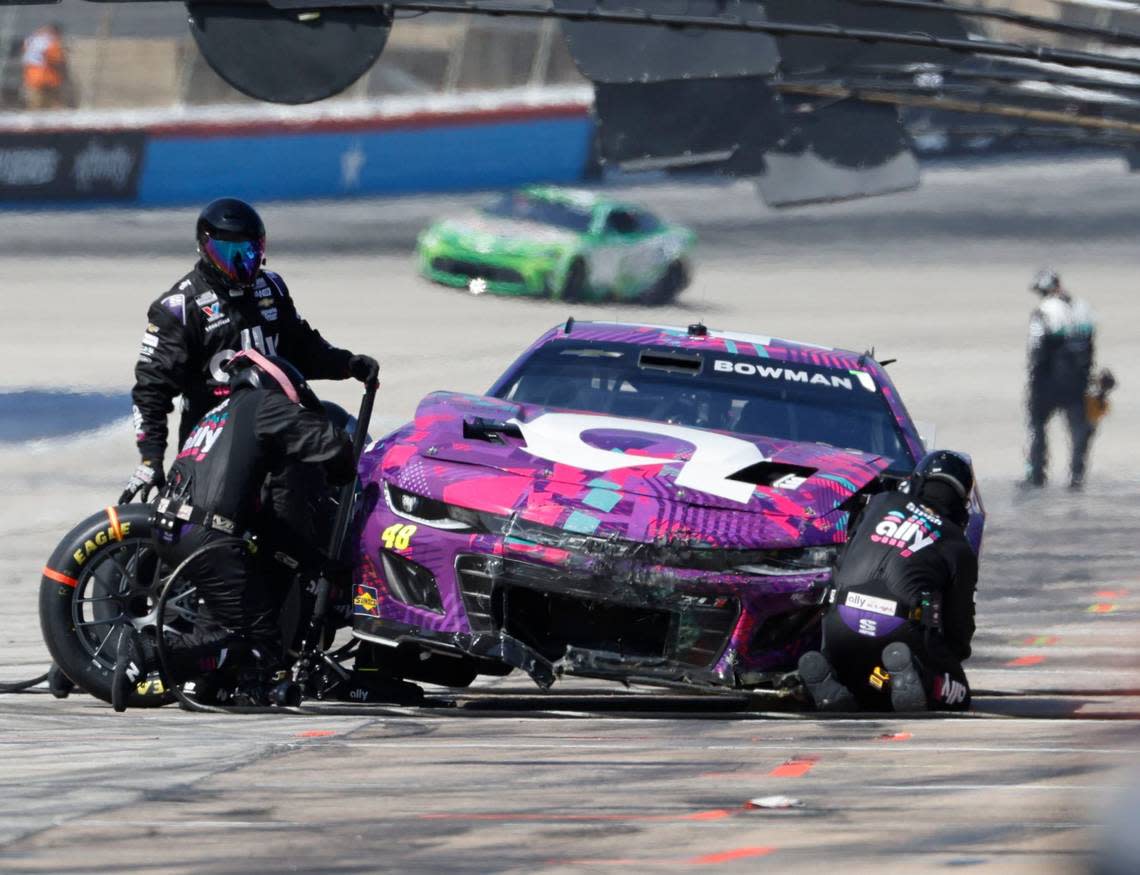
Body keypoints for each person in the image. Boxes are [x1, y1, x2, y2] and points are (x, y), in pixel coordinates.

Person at [112, 351, 357, 711]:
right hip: (206, 536)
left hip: (171, 529)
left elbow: (257, 511)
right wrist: (341, 471)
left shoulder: (215, 416)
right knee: (259, 641)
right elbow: (331, 442)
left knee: (224, 628)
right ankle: (148, 652)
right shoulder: (263, 404)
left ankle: (216, 686)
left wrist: (313, 561)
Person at [121, 197, 379, 504]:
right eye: (228, 254)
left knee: (344, 438)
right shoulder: (178, 309)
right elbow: (151, 390)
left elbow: (301, 346)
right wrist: (150, 460)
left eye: (249, 252)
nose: (242, 264)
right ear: (205, 248)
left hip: (279, 427)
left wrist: (346, 364)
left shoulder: (271, 288)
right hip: (217, 443)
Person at [797, 450, 979, 712]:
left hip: (841, 623)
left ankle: (832, 673)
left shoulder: (878, 504)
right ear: (962, 503)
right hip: (899, 629)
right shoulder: (957, 544)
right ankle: (918, 675)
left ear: (915, 482)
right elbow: (958, 624)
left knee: (861, 675)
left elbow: (841, 563)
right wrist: (946, 658)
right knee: (960, 694)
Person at [1024, 268, 1096, 489]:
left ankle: (1037, 474)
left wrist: (1034, 376)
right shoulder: (1082, 308)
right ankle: (1077, 474)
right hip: (1078, 380)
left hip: (1048, 379)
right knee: (1079, 428)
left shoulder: (1044, 311)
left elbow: (1036, 347)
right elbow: (1090, 344)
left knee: (1037, 426)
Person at [21, 23, 69, 110]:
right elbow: (56, 60)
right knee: (54, 105)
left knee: (35, 106)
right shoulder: (51, 43)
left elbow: (27, 55)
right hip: (48, 78)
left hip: (31, 77)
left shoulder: (31, 40)